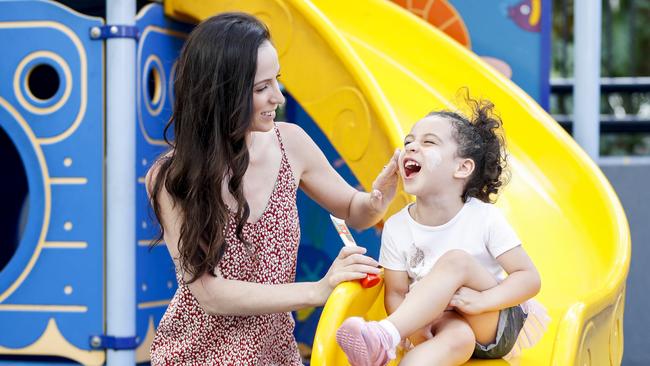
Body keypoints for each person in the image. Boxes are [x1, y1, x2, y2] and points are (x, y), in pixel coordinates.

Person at [145, 12, 399, 365]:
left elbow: (356, 211)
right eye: (261, 87)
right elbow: (210, 294)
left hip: (275, 353)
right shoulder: (172, 177)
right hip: (197, 355)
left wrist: (378, 198)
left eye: (276, 81)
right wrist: (317, 289)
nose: (278, 97)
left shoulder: (290, 144)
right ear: (221, 94)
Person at [336, 96, 549, 366]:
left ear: (462, 168)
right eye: (409, 141)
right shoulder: (397, 227)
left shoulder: (483, 217)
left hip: (491, 319)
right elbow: (396, 293)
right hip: (442, 324)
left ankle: (384, 334)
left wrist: (483, 301)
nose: (412, 147)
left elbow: (529, 278)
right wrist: (414, 330)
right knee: (456, 339)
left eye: (428, 142)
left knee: (456, 261)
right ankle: (389, 341)